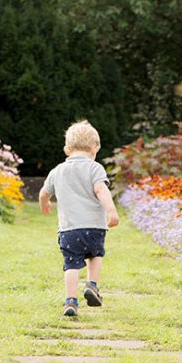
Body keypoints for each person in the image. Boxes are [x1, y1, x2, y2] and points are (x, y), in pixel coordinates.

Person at [39, 120, 119, 317]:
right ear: (95, 148)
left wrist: (44, 205)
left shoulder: (57, 171)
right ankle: (92, 285)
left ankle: (70, 301)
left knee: (71, 265)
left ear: (67, 149)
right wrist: (111, 211)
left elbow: (43, 193)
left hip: (69, 229)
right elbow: (101, 189)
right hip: (95, 227)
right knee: (95, 254)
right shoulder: (95, 168)